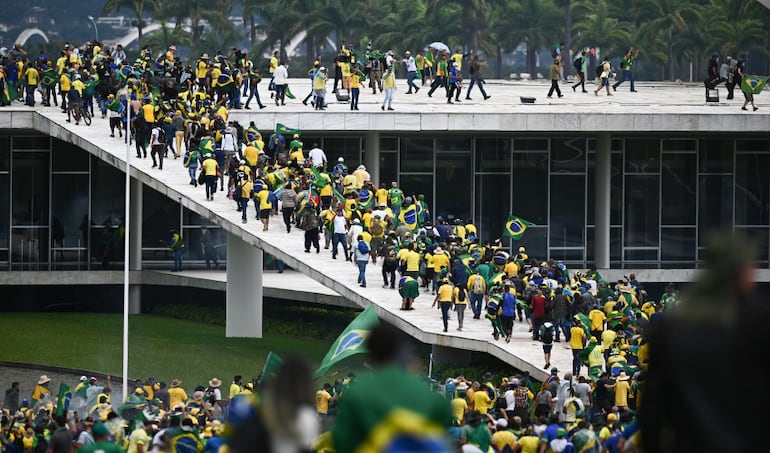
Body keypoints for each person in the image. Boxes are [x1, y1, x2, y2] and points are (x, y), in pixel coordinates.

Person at [331, 324, 453, 453]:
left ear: (370, 351)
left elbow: (342, 442)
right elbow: (444, 425)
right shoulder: (427, 393)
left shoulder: (357, 392)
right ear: (400, 350)